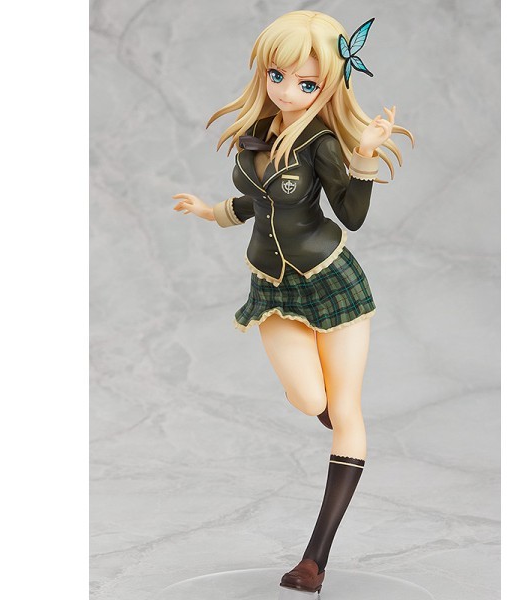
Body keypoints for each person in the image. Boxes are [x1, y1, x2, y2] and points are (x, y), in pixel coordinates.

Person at [172, 10, 412, 595]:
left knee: (345, 411)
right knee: (309, 398)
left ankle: (314, 559)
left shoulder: (322, 143)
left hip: (332, 281)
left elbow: (351, 215)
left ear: (329, 84)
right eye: (277, 75)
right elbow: (256, 203)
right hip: (273, 286)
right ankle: (332, 415)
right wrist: (209, 211)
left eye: (306, 82)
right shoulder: (257, 132)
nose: (287, 90)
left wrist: (364, 156)